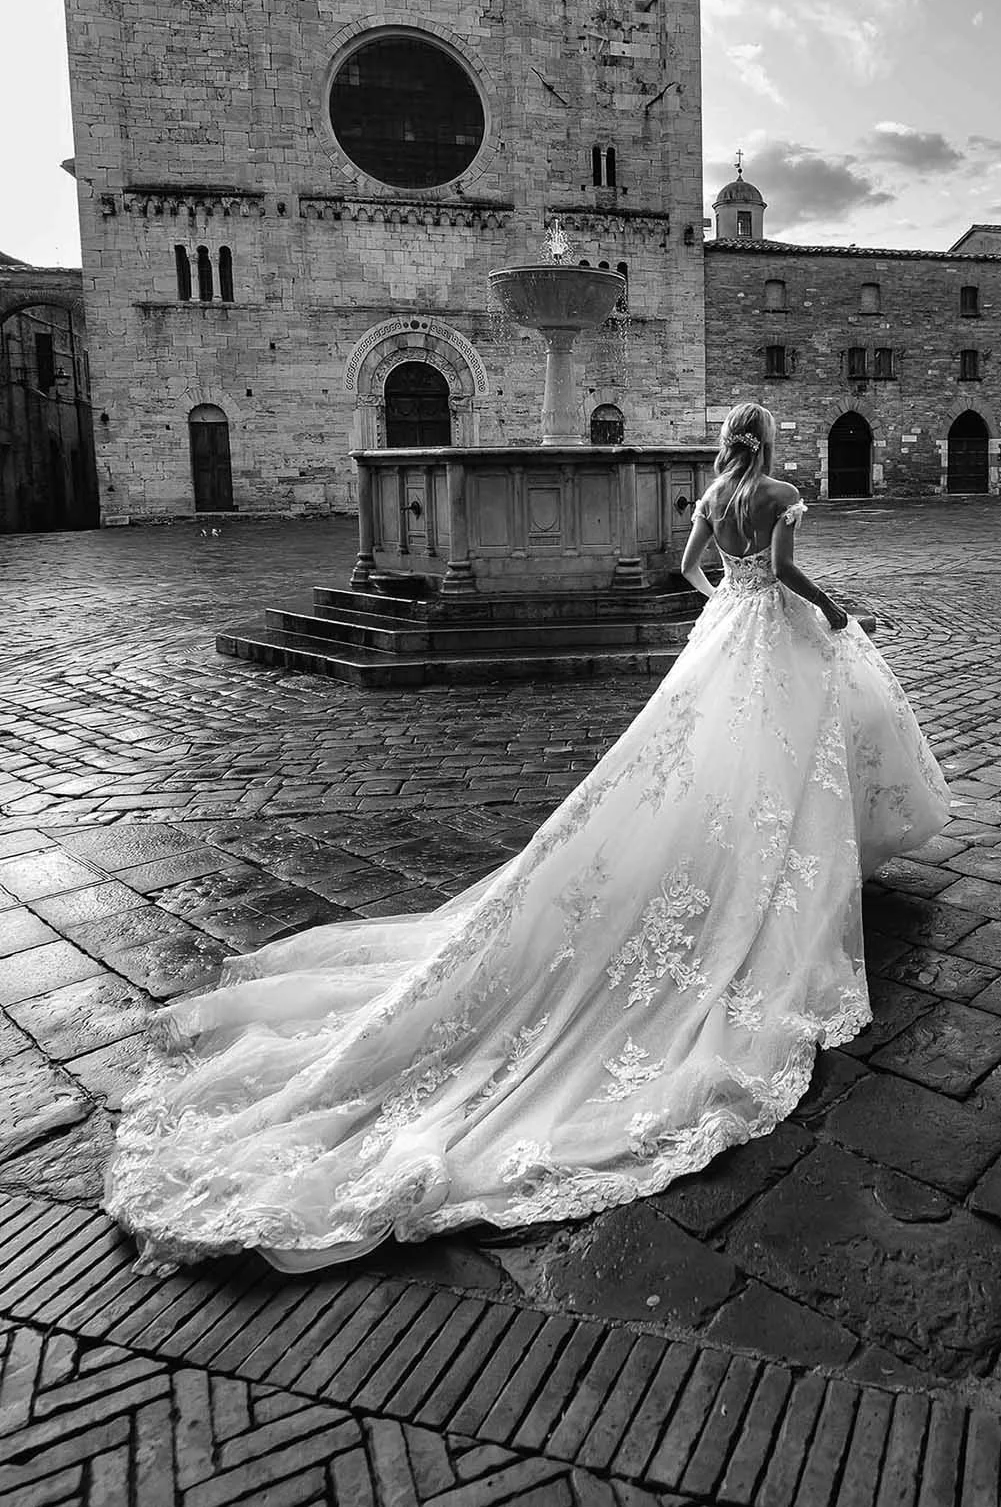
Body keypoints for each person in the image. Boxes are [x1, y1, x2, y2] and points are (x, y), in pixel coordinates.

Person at [105, 403, 949, 1275]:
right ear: (769, 442)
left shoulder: (712, 494)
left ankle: (730, 854)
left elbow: (698, 570)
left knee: (694, 763)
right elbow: (784, 574)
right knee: (780, 761)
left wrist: (723, 606)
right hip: (764, 629)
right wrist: (835, 611)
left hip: (723, 632)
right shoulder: (777, 491)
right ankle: (767, 871)